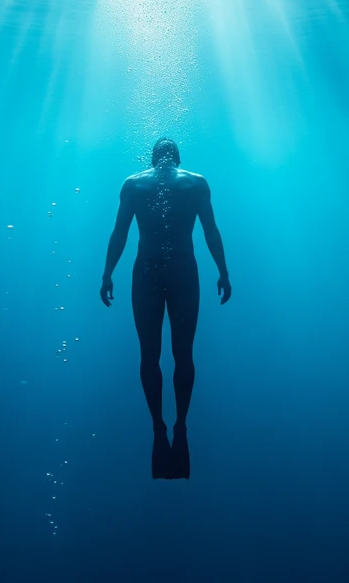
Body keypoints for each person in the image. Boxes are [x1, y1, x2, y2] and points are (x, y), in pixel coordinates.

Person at [100, 138, 231, 479]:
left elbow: (119, 234)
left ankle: (158, 426)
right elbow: (211, 232)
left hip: (145, 274)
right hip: (184, 273)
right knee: (183, 354)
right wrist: (223, 271)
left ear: (153, 157)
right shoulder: (196, 182)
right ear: (176, 157)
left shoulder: (134, 183)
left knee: (149, 355)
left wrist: (107, 273)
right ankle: (181, 425)